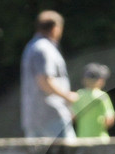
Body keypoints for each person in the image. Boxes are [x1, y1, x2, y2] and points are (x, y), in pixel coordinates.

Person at [20, 9, 77, 141]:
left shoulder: (32, 46)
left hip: (33, 117)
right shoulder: (44, 49)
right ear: (55, 28)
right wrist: (68, 97)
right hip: (52, 115)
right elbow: (45, 80)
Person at [72, 62, 115, 141]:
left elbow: (73, 116)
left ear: (83, 80)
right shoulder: (102, 96)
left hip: (82, 139)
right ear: (100, 80)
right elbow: (109, 120)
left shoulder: (79, 95)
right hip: (101, 139)